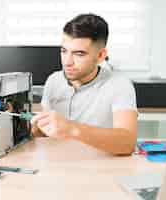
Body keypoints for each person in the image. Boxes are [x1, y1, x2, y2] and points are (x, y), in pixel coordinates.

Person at [31, 13, 137, 155]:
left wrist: (72, 129)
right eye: (64, 51)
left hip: (100, 168)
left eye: (79, 54)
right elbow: (46, 134)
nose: (67, 62)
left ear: (100, 55)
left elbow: (127, 143)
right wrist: (34, 130)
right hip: (58, 164)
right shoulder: (53, 80)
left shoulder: (119, 84)